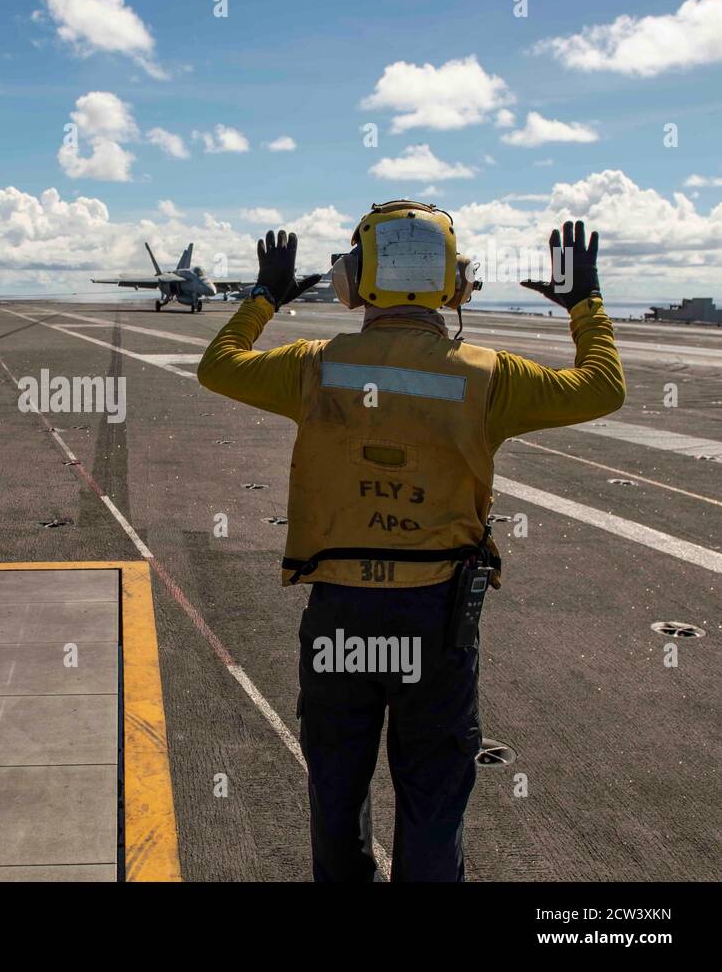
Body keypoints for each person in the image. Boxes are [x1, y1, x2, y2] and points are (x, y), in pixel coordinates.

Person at [197, 203, 626, 882]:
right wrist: (585, 303)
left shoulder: (315, 367)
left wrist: (263, 296)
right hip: (437, 617)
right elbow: (604, 385)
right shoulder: (488, 374)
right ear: (456, 286)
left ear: (352, 282)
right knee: (432, 799)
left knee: (337, 790)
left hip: (342, 616)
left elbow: (218, 365)